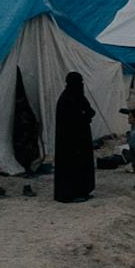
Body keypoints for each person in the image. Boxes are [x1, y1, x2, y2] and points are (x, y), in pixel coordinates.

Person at [53, 73, 96, 203]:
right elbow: (74, 118)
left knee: (80, 164)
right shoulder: (67, 99)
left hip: (79, 138)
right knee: (72, 166)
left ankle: (82, 190)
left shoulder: (76, 96)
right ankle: (71, 193)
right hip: (70, 140)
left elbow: (89, 111)